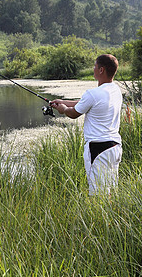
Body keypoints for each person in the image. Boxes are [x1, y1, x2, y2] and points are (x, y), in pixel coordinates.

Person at [50, 54, 123, 196]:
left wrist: (63, 109)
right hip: (114, 148)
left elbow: (73, 113)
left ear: (101, 70)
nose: (93, 68)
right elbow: (86, 103)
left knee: (97, 195)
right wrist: (63, 101)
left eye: (95, 66)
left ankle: (98, 218)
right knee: (111, 192)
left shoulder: (93, 94)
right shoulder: (116, 90)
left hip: (98, 149)